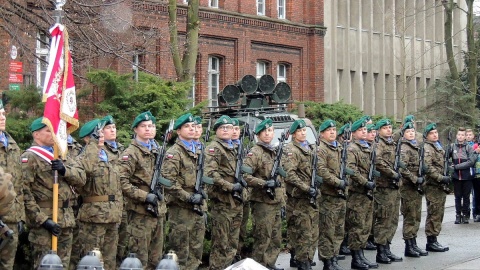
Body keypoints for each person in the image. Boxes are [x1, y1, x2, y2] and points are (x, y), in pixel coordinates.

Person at [21, 117, 85, 268]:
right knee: (46, 265)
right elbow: (24, 193)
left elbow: (81, 179)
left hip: (66, 219)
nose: (53, 134)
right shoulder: (29, 157)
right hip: (45, 222)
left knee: (63, 265)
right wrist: (43, 220)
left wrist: (64, 170)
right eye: (48, 131)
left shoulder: (61, 154)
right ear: (36, 134)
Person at [68, 118, 123, 270]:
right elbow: (84, 174)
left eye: (100, 134)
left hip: (112, 215)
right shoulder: (82, 159)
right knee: (91, 261)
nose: (100, 138)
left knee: (109, 260)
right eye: (96, 135)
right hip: (94, 217)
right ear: (87, 138)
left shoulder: (109, 158)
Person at [117, 111, 167, 269]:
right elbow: (121, 181)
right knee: (139, 258)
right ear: (135, 129)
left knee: (156, 258)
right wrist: (144, 196)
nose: (148, 129)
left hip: (157, 209)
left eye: (151, 126)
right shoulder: (130, 153)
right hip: (140, 211)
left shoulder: (157, 151)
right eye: (143, 126)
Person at [162, 113, 207, 270]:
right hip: (181, 208)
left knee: (196, 249)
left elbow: (204, 176)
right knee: (180, 250)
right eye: (186, 127)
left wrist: (203, 193)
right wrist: (188, 197)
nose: (191, 129)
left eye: (193, 126)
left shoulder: (199, 151)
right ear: (178, 131)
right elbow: (168, 182)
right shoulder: (175, 153)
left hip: (198, 206)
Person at [242, 119, 285, 270]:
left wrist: (282, 199)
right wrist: (264, 183)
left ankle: (270, 263)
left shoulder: (274, 151)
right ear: (259, 134)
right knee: (263, 237)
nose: (268, 134)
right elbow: (245, 176)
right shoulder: (255, 152)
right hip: (262, 202)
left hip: (276, 200)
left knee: (275, 237)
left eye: (271, 131)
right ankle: (259, 265)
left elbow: (281, 178)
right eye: (265, 131)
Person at [205, 115, 245, 270]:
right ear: (217, 131)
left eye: (229, 128)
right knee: (221, 243)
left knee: (232, 242)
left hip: (235, 201)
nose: (226, 130)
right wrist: (230, 186)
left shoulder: (233, 147)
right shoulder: (214, 148)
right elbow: (211, 174)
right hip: (222, 201)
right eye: (222, 128)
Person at [282, 119, 319, 270]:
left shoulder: (310, 148)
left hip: (312, 196)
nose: (303, 133)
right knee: (303, 232)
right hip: (299, 197)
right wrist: (306, 188)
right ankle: (303, 262)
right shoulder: (291, 150)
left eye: (305, 131)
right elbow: (290, 175)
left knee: (313, 230)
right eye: (300, 131)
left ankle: (307, 257)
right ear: (294, 134)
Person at [345, 118, 378, 270]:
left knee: (365, 225)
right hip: (357, 193)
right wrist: (365, 182)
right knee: (357, 226)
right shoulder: (352, 148)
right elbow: (351, 170)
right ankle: (356, 258)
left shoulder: (368, 147)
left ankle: (361, 255)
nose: (364, 132)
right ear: (354, 133)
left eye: (365, 130)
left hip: (367, 193)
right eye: (361, 130)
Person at [316, 119, 347, 270]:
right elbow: (321, 170)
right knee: (327, 230)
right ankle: (327, 261)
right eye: (329, 130)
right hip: (328, 195)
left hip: (340, 196)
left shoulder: (339, 147)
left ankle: (334, 257)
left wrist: (345, 182)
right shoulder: (321, 149)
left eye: (334, 129)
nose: (333, 132)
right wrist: (337, 182)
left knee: (338, 230)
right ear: (322, 134)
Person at [373, 119, 403, 264]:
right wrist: (392, 173)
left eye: (390, 127)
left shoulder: (393, 144)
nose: (388, 130)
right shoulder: (379, 144)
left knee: (393, 219)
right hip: (383, 187)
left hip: (394, 187)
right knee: (384, 219)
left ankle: (387, 247)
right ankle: (381, 250)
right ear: (379, 130)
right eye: (385, 128)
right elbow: (378, 161)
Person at [0, 100, 25, 269]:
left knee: (8, 265)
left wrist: (21, 216)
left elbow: (19, 184)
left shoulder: (13, 145)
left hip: (11, 218)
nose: (3, 117)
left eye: (3, 113)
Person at [399, 122, 428, 258]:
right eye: (408, 131)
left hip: (416, 187)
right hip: (408, 187)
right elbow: (402, 168)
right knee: (410, 216)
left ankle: (414, 242)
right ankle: (408, 246)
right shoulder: (404, 148)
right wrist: (415, 179)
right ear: (403, 134)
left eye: (413, 131)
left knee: (416, 216)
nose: (411, 133)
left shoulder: (416, 146)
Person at [423, 123, 450, 252]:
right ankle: (431, 240)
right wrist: (440, 177)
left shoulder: (438, 146)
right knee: (434, 213)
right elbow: (427, 167)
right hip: (433, 185)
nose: (435, 135)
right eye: (432, 133)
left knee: (439, 213)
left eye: (436, 132)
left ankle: (434, 238)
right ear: (427, 136)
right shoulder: (428, 148)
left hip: (440, 186)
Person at [232, 118, 251, 262]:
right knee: (231, 231)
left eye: (237, 129)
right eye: (232, 128)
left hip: (245, 195)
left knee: (241, 230)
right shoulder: (228, 149)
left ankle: (238, 254)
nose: (235, 131)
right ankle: (231, 257)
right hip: (231, 196)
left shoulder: (243, 148)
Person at [449, 127, 476, 224]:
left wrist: (456, 167)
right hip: (456, 177)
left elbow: (471, 162)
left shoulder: (469, 148)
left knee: (466, 197)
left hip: (467, 176)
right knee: (457, 197)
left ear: (465, 137)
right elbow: (446, 158)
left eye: (462, 135)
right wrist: (450, 166)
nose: (460, 136)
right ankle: (457, 215)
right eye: (459, 135)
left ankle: (465, 215)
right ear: (457, 136)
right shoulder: (452, 146)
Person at [364, 123, 377, 251]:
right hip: (360, 189)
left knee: (368, 220)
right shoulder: (353, 148)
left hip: (371, 187)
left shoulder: (373, 147)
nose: (372, 134)